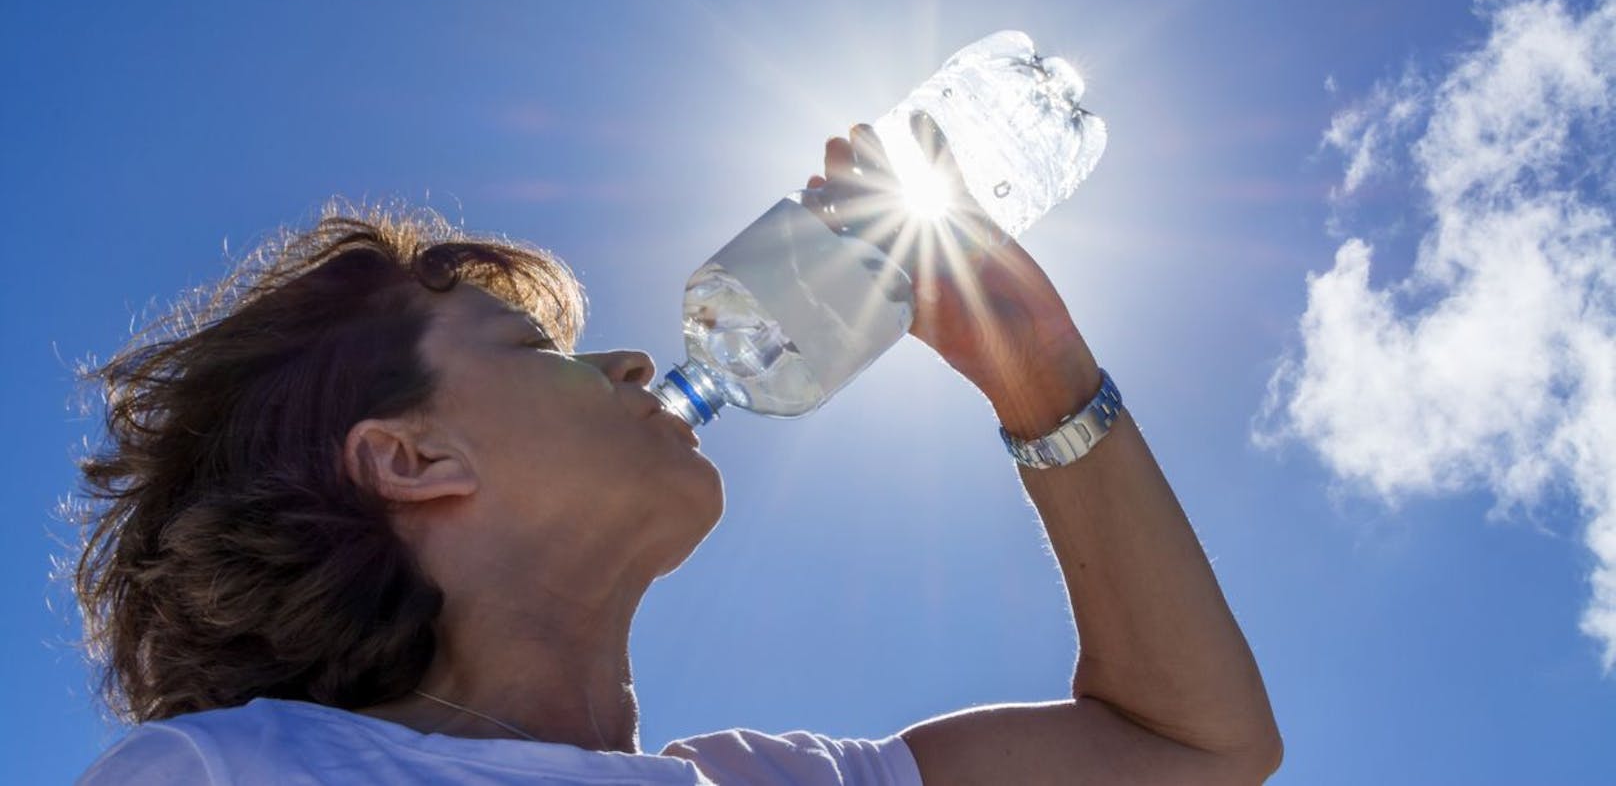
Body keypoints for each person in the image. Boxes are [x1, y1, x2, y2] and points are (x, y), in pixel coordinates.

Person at [74, 125, 1282, 784]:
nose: (634, 367)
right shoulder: (231, 775)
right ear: (411, 459)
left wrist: (1039, 370)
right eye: (528, 345)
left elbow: (1196, 744)